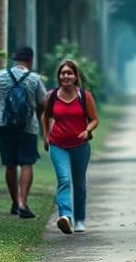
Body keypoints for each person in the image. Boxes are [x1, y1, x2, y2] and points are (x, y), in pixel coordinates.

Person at [0, 46, 47, 218]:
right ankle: (23, 203)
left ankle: (14, 203)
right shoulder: (35, 79)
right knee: (27, 163)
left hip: (4, 126)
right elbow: (44, 105)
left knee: (10, 165)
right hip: (28, 128)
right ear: (30, 60)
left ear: (15, 59)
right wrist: (44, 127)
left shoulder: (1, 76)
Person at [41, 59, 99, 235]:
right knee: (64, 179)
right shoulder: (51, 96)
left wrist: (87, 130)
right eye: (62, 73)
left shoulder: (84, 95)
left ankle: (80, 219)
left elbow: (94, 119)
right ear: (59, 76)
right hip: (58, 145)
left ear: (76, 76)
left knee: (79, 183)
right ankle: (65, 216)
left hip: (81, 146)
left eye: (69, 73)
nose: (65, 76)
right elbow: (45, 117)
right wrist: (46, 137)